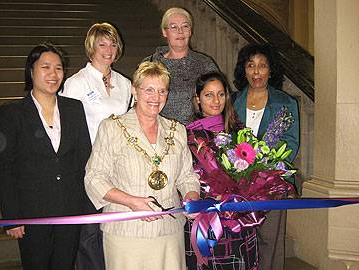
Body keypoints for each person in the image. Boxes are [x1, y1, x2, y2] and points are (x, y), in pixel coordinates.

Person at [84, 61, 200, 270]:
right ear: (134, 91)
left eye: (162, 91)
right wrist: (132, 202)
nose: (156, 98)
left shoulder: (177, 130)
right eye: (149, 90)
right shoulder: (111, 128)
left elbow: (187, 177)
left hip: (169, 231)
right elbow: (94, 178)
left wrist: (192, 195)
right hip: (126, 231)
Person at [0, 42, 91, 270]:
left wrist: (86, 205)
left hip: (70, 209)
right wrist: (12, 216)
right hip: (32, 213)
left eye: (58, 68)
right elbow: (5, 167)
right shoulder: (11, 114)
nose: (53, 74)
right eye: (46, 67)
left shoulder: (74, 108)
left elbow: (84, 158)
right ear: (31, 71)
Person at [59, 22, 132, 270]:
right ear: (91, 46)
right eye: (102, 43)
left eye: (113, 43)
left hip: (120, 166)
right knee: (89, 234)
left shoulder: (125, 83)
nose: (108, 49)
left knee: (114, 229)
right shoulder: (76, 83)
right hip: (88, 165)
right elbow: (66, 130)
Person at [232, 43, 300, 270]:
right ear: (244, 70)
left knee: (270, 240)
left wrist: (262, 166)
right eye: (251, 66)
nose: (257, 72)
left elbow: (290, 144)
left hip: (272, 182)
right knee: (240, 239)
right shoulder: (232, 102)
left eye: (262, 66)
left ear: (271, 70)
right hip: (236, 184)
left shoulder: (285, 103)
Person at [185, 71, 259, 270]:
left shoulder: (239, 130)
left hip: (239, 218)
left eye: (220, 94)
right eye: (208, 95)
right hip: (208, 218)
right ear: (198, 100)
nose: (216, 101)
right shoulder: (190, 135)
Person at [145, 7, 218, 125]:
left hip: (198, 134)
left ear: (190, 31)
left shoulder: (205, 64)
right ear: (164, 32)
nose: (180, 31)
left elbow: (219, 100)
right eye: (173, 27)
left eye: (185, 26)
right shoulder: (150, 63)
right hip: (158, 132)